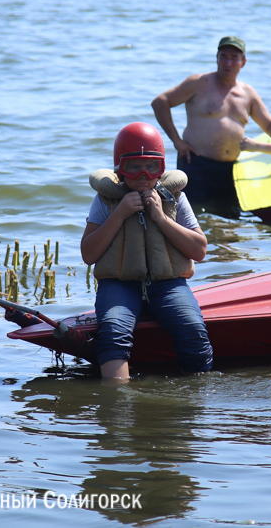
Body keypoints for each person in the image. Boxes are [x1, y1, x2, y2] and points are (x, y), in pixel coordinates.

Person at [80, 122, 213, 380]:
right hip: (119, 285)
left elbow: (199, 250)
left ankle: (196, 400)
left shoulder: (175, 197)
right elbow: (88, 254)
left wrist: (161, 218)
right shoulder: (106, 200)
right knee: (113, 331)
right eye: (134, 167)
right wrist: (119, 213)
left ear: (161, 168)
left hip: (168, 284)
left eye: (152, 167)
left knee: (193, 328)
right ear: (120, 170)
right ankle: (119, 402)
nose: (144, 175)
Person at [151, 36, 271, 206]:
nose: (228, 63)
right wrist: (177, 141)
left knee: (230, 219)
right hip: (196, 165)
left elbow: (270, 125)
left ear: (243, 62)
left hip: (232, 170)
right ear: (217, 58)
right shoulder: (199, 83)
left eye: (234, 58)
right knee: (194, 216)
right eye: (224, 56)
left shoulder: (248, 93)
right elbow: (160, 102)